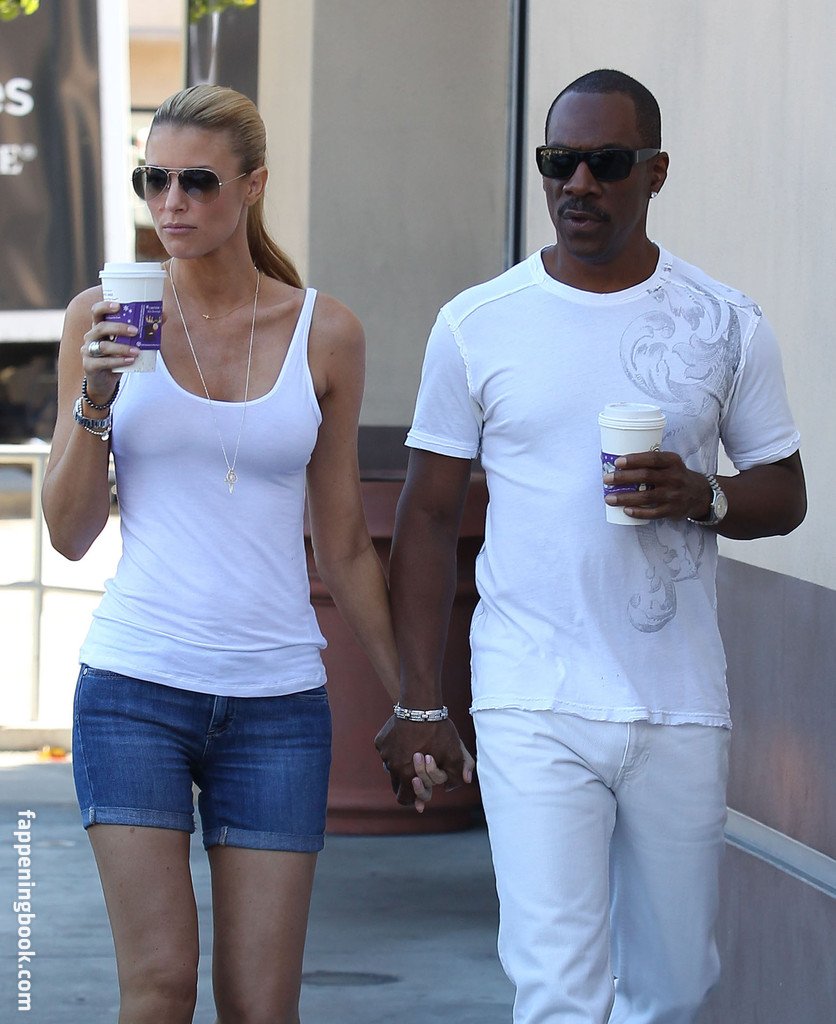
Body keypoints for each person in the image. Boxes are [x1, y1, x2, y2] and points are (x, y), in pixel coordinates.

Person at [375, 69, 807, 1024]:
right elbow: (428, 517)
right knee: (558, 989)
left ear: (655, 172)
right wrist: (419, 700)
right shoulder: (478, 324)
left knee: (673, 987)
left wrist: (703, 495)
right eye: (558, 162)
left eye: (606, 163)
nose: (578, 184)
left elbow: (786, 491)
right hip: (532, 694)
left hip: (676, 697)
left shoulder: (725, 322)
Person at [42, 84, 441, 1024]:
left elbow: (343, 545)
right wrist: (95, 396)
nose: (170, 202)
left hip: (276, 704)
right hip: (134, 689)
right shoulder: (101, 317)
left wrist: (413, 705)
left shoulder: (325, 333)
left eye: (197, 182)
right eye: (153, 180)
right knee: (158, 986)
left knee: (263, 1006)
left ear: (253, 186)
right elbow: (68, 532)